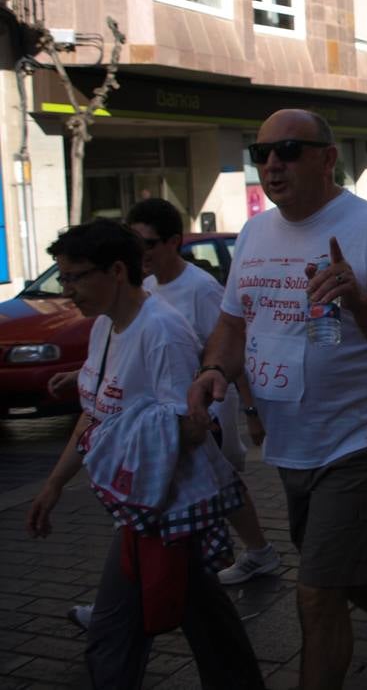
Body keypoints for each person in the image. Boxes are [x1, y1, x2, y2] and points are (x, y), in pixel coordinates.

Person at [185, 109, 367, 690]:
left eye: (290, 150)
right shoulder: (254, 232)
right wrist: (212, 371)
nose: (273, 164)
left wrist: (357, 299)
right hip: (290, 444)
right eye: (263, 153)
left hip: (359, 438)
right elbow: (233, 324)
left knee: (317, 591)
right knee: (348, 572)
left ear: (328, 159)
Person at [28, 219, 263, 690]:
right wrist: (55, 483)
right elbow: (96, 415)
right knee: (207, 622)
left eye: (75, 277)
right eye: (63, 277)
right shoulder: (104, 329)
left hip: (162, 512)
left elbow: (192, 428)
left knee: (114, 635)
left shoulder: (163, 332)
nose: (68, 289)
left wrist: (178, 427)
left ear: (116, 270)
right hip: (148, 510)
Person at [126, 198, 279, 588]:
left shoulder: (200, 288)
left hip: (209, 405)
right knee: (220, 482)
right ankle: (254, 553)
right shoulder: (143, 287)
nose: (140, 253)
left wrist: (250, 409)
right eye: (133, 242)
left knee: (215, 480)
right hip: (168, 409)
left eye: (148, 243)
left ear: (173, 241)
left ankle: (182, 573)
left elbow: (231, 346)